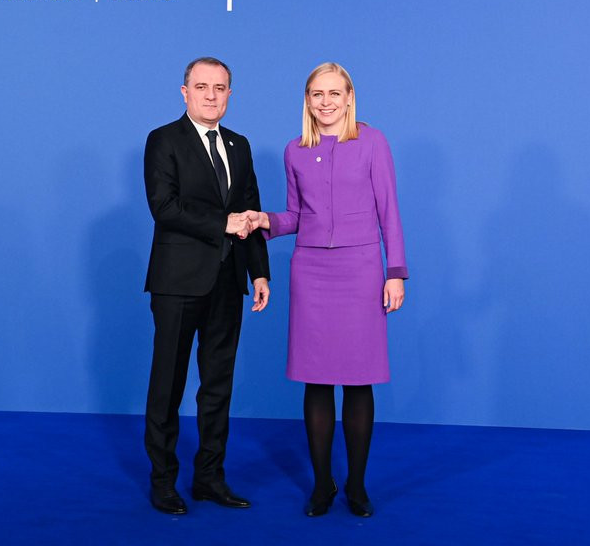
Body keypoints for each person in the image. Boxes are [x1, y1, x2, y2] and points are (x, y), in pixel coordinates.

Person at [250, 62, 407, 518]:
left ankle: (356, 485)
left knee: (359, 379)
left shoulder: (373, 141)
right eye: (317, 94)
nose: (326, 102)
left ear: (349, 97)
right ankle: (322, 484)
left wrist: (395, 271)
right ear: (307, 100)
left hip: (361, 270)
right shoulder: (295, 150)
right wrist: (264, 221)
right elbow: (296, 216)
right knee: (316, 379)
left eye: (334, 93)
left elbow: (389, 210)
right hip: (312, 271)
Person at [142, 57, 271, 515]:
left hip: (227, 282)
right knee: (168, 385)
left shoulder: (239, 145)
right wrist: (223, 223)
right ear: (185, 92)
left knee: (217, 386)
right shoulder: (164, 140)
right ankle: (163, 481)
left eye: (220, 88)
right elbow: (164, 207)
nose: (211, 95)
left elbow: (251, 211)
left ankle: (210, 478)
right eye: (202, 87)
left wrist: (259, 273)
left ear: (230, 94)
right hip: (177, 282)